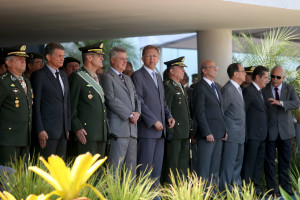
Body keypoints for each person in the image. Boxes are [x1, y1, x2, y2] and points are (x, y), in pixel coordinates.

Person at [131, 45, 175, 186]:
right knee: (145, 168)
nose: (152, 58)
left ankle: (154, 195)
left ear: (158, 58)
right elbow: (139, 101)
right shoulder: (137, 76)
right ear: (142, 58)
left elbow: (162, 101)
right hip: (147, 129)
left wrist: (169, 116)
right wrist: (154, 120)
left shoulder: (157, 76)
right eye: (148, 56)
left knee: (157, 168)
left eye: (154, 56)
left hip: (161, 130)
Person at [101, 46, 141, 175]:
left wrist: (137, 113)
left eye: (126, 59)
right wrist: (129, 114)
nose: (125, 62)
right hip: (118, 130)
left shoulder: (128, 79)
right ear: (113, 60)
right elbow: (111, 100)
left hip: (132, 130)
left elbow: (136, 99)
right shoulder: (107, 77)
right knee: (114, 170)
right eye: (121, 59)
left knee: (131, 171)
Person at [262, 66, 300, 196]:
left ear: (283, 78)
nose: (274, 79)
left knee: (285, 161)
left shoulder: (289, 88)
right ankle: (272, 189)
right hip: (270, 131)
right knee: (269, 162)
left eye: (278, 77)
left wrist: (281, 103)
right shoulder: (264, 89)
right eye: (272, 76)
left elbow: (296, 103)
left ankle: (285, 188)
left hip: (286, 132)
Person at [31, 43, 71, 160]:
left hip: (62, 132)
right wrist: (40, 129)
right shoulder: (39, 75)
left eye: (63, 56)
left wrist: (67, 126)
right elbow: (36, 105)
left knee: (58, 170)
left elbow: (67, 103)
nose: (62, 59)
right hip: (47, 132)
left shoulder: (63, 75)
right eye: (59, 56)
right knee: (44, 168)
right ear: (48, 57)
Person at [69, 42, 107, 157]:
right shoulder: (77, 77)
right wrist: (77, 127)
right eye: (99, 55)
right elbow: (71, 106)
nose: (102, 58)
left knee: (99, 172)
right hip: (86, 133)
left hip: (100, 132)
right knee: (87, 171)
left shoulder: (96, 77)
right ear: (89, 57)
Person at [192, 60, 227, 184]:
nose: (216, 69)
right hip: (207, 135)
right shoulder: (200, 87)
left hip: (218, 133)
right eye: (212, 67)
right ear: (204, 70)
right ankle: (203, 194)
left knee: (214, 169)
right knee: (204, 169)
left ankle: (212, 194)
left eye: (216, 67)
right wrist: (207, 132)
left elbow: (220, 110)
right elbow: (199, 113)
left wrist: (225, 130)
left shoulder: (216, 87)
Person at [0, 45, 33, 165]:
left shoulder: (26, 81)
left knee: (22, 176)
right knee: (7, 177)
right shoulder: (3, 82)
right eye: (19, 59)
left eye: (24, 59)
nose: (23, 61)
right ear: (8, 63)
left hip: (24, 137)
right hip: (8, 139)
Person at [161, 56, 190, 183]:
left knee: (183, 166)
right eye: (180, 68)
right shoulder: (168, 86)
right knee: (172, 166)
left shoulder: (180, 86)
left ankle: (181, 191)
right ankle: (170, 191)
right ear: (172, 71)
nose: (183, 70)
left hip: (183, 132)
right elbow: (165, 109)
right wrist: (169, 131)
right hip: (174, 132)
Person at [241, 65, 269, 195]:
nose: (267, 80)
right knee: (250, 164)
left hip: (262, 136)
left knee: (258, 164)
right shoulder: (249, 91)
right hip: (252, 136)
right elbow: (243, 113)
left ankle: (256, 188)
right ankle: (247, 189)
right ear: (257, 77)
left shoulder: (259, 92)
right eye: (265, 78)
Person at [219, 63, 246, 191]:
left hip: (240, 134)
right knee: (228, 164)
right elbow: (221, 112)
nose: (245, 73)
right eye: (243, 71)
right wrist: (224, 130)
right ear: (235, 74)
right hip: (230, 134)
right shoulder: (228, 89)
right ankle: (225, 191)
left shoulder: (238, 88)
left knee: (237, 163)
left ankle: (236, 189)